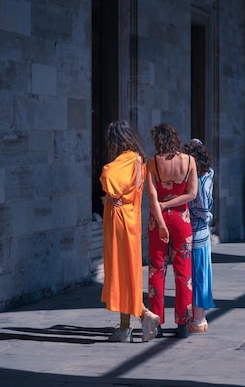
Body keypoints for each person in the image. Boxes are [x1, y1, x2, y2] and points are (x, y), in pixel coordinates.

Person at [100, 120, 160, 343]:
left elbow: (107, 176)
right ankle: (125, 328)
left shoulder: (124, 160)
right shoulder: (138, 159)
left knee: (120, 271)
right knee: (129, 272)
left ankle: (144, 314)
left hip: (120, 219)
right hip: (132, 220)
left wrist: (114, 195)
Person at [145, 123, 197, 338]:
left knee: (156, 270)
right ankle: (183, 324)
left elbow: (152, 198)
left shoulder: (152, 163)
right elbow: (192, 194)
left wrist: (162, 220)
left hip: (158, 221)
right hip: (181, 219)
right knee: (184, 272)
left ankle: (156, 323)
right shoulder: (189, 161)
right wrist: (172, 205)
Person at [183, 138, 215, 333]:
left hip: (195, 230)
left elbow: (202, 204)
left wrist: (204, 215)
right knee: (201, 275)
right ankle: (199, 317)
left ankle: (198, 319)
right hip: (203, 231)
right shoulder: (208, 174)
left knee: (196, 275)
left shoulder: (196, 178)